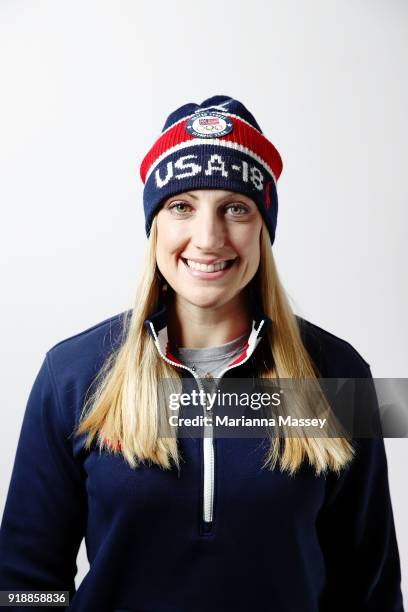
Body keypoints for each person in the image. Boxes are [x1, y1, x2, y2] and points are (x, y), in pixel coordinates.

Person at [0, 95, 404, 612]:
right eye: (181, 206)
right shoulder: (72, 376)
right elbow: (25, 582)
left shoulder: (340, 374)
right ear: (156, 227)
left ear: (264, 227)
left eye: (236, 208)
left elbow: (370, 587)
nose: (208, 238)